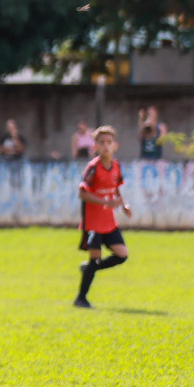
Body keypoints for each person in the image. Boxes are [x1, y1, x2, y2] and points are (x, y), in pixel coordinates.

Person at [75, 126, 132, 308]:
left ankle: (89, 269)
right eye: (102, 143)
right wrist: (105, 202)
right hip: (93, 223)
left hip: (109, 222)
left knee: (122, 255)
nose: (106, 146)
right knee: (96, 258)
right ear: (95, 146)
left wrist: (123, 205)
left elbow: (116, 188)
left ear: (115, 145)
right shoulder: (93, 168)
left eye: (109, 142)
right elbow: (82, 193)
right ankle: (81, 298)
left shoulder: (116, 166)